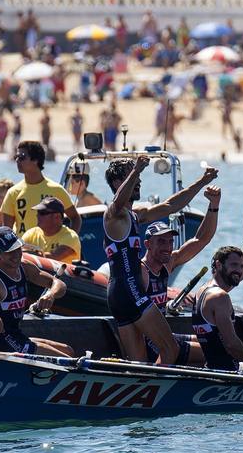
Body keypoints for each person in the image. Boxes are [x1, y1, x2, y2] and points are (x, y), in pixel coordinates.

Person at [100, 155, 182, 364]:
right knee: (171, 348)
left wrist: (202, 182)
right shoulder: (113, 215)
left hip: (119, 296)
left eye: (138, 177)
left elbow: (170, 206)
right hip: (130, 292)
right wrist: (136, 170)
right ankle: (159, 393)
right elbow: (118, 203)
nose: (139, 182)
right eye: (132, 177)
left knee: (139, 363)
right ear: (118, 183)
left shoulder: (135, 215)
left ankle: (143, 393)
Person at [0, 227, 74, 357]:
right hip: (2, 342)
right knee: (66, 359)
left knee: (69, 351)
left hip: (17, 334)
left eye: (17, 248)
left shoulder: (24, 267)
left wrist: (50, 295)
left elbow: (59, 285)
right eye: (9, 251)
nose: (16, 255)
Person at [190, 238, 243, 373]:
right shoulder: (220, 297)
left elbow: (242, 273)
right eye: (234, 265)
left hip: (213, 365)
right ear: (219, 265)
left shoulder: (203, 291)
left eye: (241, 266)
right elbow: (231, 344)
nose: (239, 271)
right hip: (228, 370)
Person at [141, 183, 221, 314]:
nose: (167, 247)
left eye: (170, 241)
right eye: (161, 241)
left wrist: (214, 205)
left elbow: (202, 239)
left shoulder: (168, 263)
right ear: (147, 244)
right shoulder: (141, 271)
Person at [0, 140, 80, 235]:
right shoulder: (13, 193)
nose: (17, 160)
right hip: (23, 248)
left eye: (21, 157)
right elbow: (6, 230)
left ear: (35, 160)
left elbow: (75, 218)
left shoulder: (56, 190)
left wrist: (68, 242)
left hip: (49, 249)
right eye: (16, 157)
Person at [20, 196, 82, 263]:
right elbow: (18, 252)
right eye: (38, 212)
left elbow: (53, 257)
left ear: (56, 216)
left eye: (42, 213)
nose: (37, 216)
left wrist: (24, 253)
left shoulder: (71, 237)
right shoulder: (31, 234)